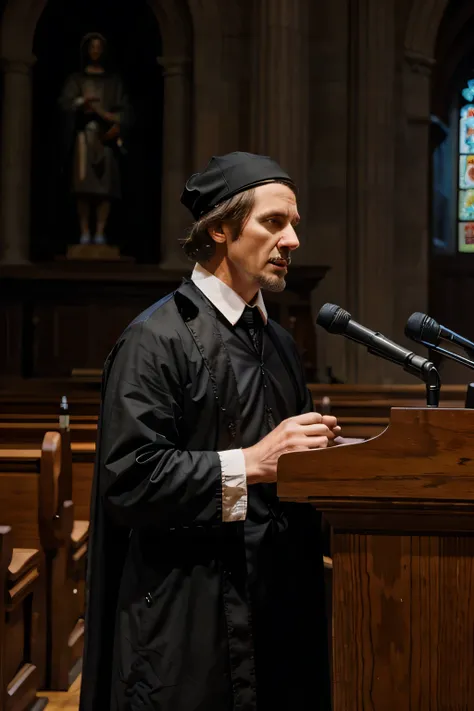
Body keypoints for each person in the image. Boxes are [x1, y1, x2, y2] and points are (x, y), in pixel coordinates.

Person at [79, 151, 340, 711]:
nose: (293, 239)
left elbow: (287, 474)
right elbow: (127, 480)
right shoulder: (156, 338)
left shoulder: (281, 343)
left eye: (294, 223)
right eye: (274, 222)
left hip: (278, 613)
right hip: (186, 620)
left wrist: (326, 461)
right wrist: (252, 462)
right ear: (219, 228)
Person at [59, 32, 130, 245]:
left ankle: (100, 231)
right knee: (83, 187)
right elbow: (64, 104)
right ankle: (84, 231)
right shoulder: (77, 80)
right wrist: (82, 103)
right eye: (92, 47)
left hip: (105, 139)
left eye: (99, 47)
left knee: (104, 188)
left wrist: (116, 124)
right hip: (85, 137)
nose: (96, 51)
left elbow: (125, 111)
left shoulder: (113, 82)